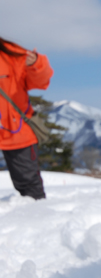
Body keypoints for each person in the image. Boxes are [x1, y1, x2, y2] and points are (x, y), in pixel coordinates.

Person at [0, 38, 53, 199]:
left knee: (28, 184)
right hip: (13, 129)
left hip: (15, 129)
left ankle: (38, 218)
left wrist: (35, 64)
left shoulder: (11, 55)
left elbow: (41, 82)